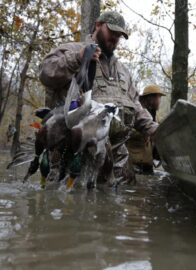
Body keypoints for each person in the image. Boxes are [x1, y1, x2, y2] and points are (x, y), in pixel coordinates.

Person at [39, 11, 158, 182]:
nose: (115, 38)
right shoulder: (72, 49)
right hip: (75, 155)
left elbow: (135, 105)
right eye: (112, 32)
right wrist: (78, 58)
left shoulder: (123, 71)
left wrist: (153, 129)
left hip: (116, 162)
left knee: (117, 203)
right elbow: (45, 73)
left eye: (119, 35)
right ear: (97, 25)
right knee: (70, 204)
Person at [126, 84, 165, 174]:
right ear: (150, 98)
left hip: (148, 167)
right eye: (158, 98)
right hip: (133, 167)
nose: (160, 101)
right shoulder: (134, 113)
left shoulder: (155, 118)